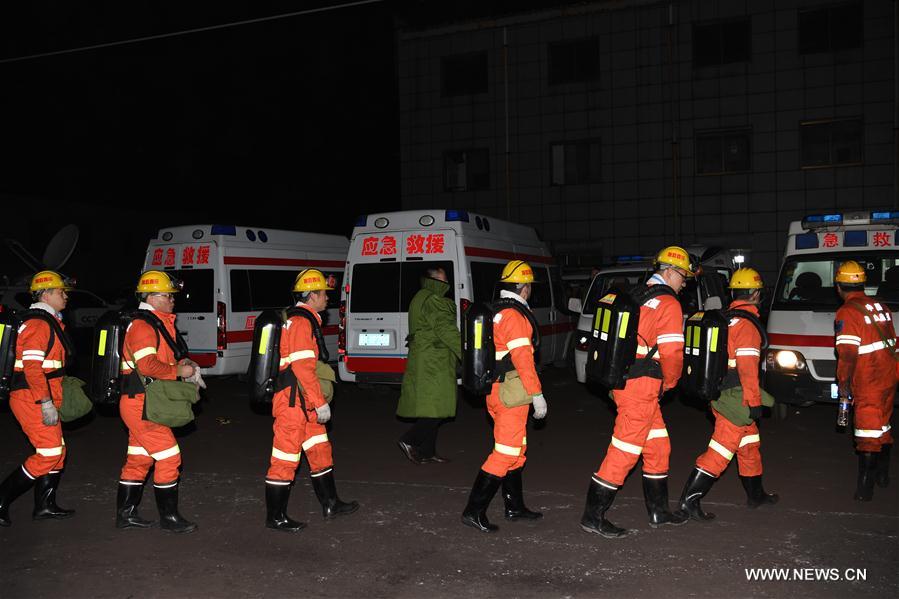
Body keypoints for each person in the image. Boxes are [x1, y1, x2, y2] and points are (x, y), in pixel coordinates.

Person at [580, 246, 693, 538]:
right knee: (626, 450)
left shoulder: (637, 294)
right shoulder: (668, 304)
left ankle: (658, 512)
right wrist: (671, 382)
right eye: (683, 276)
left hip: (626, 382)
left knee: (658, 446)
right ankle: (593, 515)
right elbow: (672, 353)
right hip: (642, 387)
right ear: (669, 271)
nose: (685, 283)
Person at [677, 267, 778, 521]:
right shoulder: (747, 324)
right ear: (755, 293)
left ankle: (756, 495)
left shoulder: (726, 318)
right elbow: (746, 368)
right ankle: (689, 501)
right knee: (721, 450)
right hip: (737, 396)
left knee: (749, 445)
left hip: (723, 393)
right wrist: (754, 402)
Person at [265, 268, 358, 532]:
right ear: (313, 294)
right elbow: (303, 367)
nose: (327, 298)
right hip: (294, 402)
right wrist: (320, 402)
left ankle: (331, 503)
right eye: (324, 293)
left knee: (319, 449)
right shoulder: (301, 322)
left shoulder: (302, 320)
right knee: (285, 458)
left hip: (302, 400)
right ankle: (276, 517)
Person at [461, 260, 546, 533]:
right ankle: (474, 511)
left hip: (497, 391)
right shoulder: (515, 316)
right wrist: (538, 394)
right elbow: (523, 359)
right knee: (505, 452)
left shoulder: (496, 311)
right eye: (529, 286)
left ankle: (514, 506)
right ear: (523, 287)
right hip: (511, 392)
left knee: (516, 452)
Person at [116, 270, 198, 533]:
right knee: (170, 456)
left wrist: (181, 363)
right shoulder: (143, 325)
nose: (173, 299)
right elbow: (147, 365)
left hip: (143, 400)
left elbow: (159, 360)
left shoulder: (156, 322)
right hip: (141, 403)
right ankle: (169, 517)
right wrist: (178, 371)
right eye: (167, 295)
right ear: (151, 297)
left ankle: (126, 514)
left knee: (139, 459)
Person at [0, 271, 77, 526]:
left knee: (58, 451)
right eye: (60, 292)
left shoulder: (49, 321)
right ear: (46, 294)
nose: (65, 296)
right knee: (49, 452)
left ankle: (45, 505)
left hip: (41, 393)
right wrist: (45, 401)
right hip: (31, 396)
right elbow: (32, 368)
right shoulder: (38, 324)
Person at [833, 260, 896, 501]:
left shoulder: (847, 312)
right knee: (883, 426)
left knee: (867, 434)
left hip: (869, 380)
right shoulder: (880, 307)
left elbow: (847, 355)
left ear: (838, 286)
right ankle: (882, 476)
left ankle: (865, 489)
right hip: (888, 377)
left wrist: (844, 385)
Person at [397, 266, 462, 464]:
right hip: (435, 361)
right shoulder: (434, 300)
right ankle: (410, 440)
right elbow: (446, 330)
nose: (447, 283)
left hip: (425, 358)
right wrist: (466, 354)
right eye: (443, 279)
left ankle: (427, 451)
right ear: (433, 280)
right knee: (438, 407)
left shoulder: (420, 297)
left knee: (432, 407)